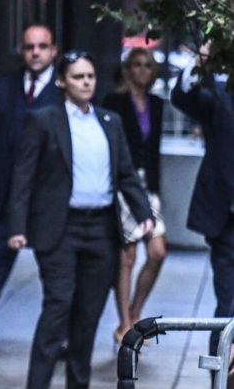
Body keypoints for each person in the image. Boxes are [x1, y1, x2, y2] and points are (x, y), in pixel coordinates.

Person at [7, 50, 153, 389]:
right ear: (61, 81)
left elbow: (127, 174)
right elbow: (23, 175)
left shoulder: (109, 122)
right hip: (60, 228)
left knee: (88, 317)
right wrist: (16, 226)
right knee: (58, 307)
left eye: (90, 76)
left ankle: (78, 384)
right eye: (77, 76)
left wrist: (144, 214)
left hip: (101, 228)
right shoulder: (44, 119)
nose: (86, 82)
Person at [0, 23, 61, 322]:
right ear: (21, 51)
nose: (35, 52)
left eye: (42, 46)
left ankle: (61, 346)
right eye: (29, 46)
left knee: (57, 284)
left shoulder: (64, 91)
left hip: (47, 204)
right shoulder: (3, 87)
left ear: (54, 51)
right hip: (3, 202)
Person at [171, 40, 234, 371]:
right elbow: (183, 95)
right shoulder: (220, 97)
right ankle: (220, 378)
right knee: (230, 306)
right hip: (227, 221)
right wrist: (203, 58)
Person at [102, 47, 167, 344]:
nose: (142, 70)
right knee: (126, 255)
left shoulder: (156, 103)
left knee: (157, 252)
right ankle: (125, 324)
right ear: (128, 68)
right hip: (122, 183)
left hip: (148, 186)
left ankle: (135, 309)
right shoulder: (113, 102)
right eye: (136, 65)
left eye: (147, 65)